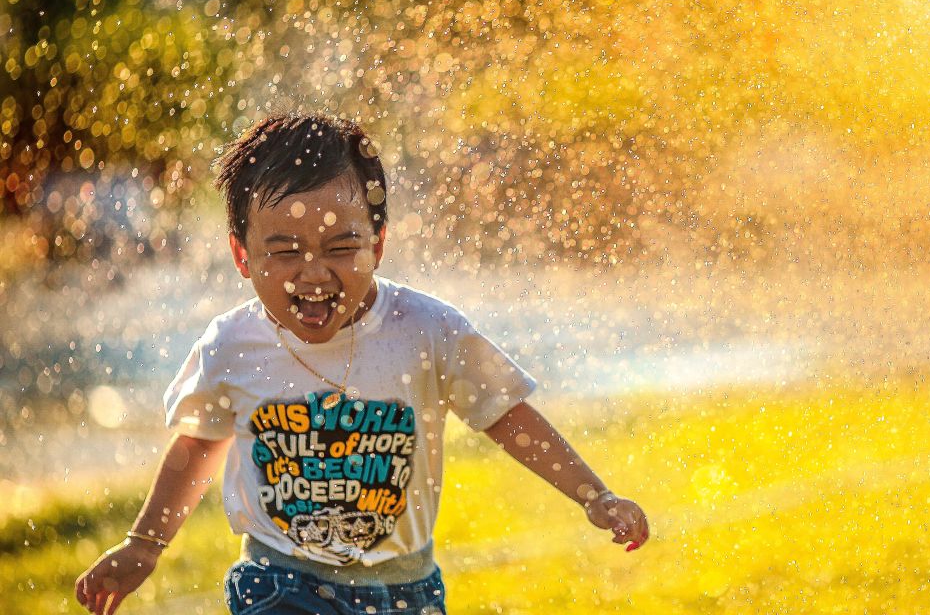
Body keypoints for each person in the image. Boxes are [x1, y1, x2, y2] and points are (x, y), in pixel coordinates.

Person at [74, 113, 649, 615]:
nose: (314, 273)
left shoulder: (425, 330)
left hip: (404, 593)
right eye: (284, 252)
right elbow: (199, 444)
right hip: (279, 583)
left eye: (341, 248)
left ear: (379, 242)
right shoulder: (233, 345)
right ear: (242, 255)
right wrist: (145, 543)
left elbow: (505, 414)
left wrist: (594, 495)